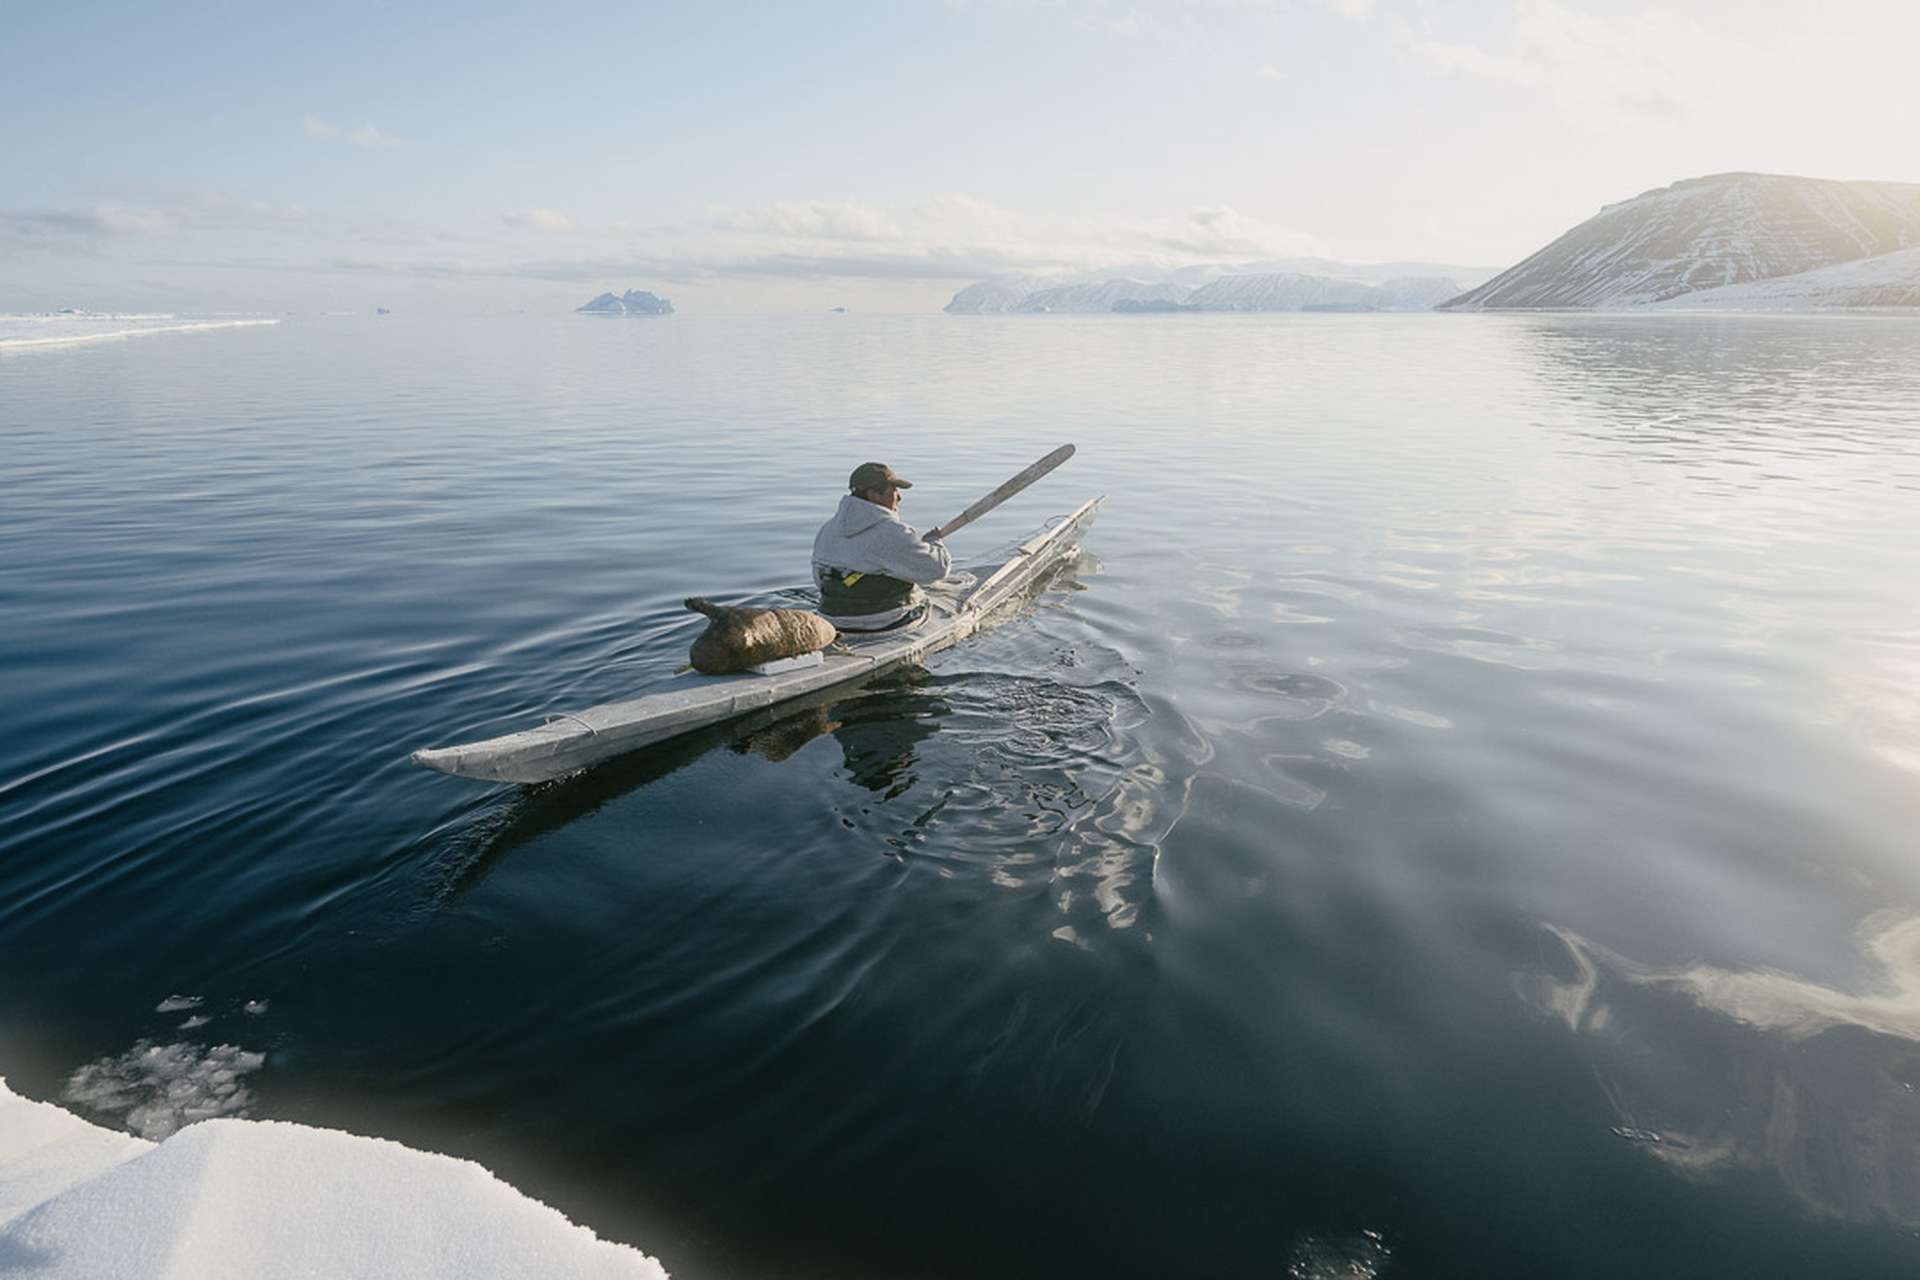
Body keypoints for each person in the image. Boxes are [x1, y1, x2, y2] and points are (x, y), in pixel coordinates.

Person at [812, 461, 952, 631]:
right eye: (894, 490)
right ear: (874, 495)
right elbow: (938, 570)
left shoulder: (827, 529)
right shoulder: (892, 532)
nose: (899, 497)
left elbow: (819, 580)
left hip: (830, 619)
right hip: (883, 622)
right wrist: (934, 541)